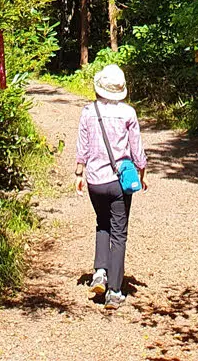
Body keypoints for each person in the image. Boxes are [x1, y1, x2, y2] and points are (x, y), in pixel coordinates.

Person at [73, 63, 147, 308]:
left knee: (102, 223)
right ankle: (114, 291)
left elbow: (82, 145)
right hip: (118, 182)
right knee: (119, 232)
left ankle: (99, 272)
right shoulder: (128, 114)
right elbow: (136, 149)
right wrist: (142, 173)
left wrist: (79, 172)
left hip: (94, 180)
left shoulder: (88, 111)